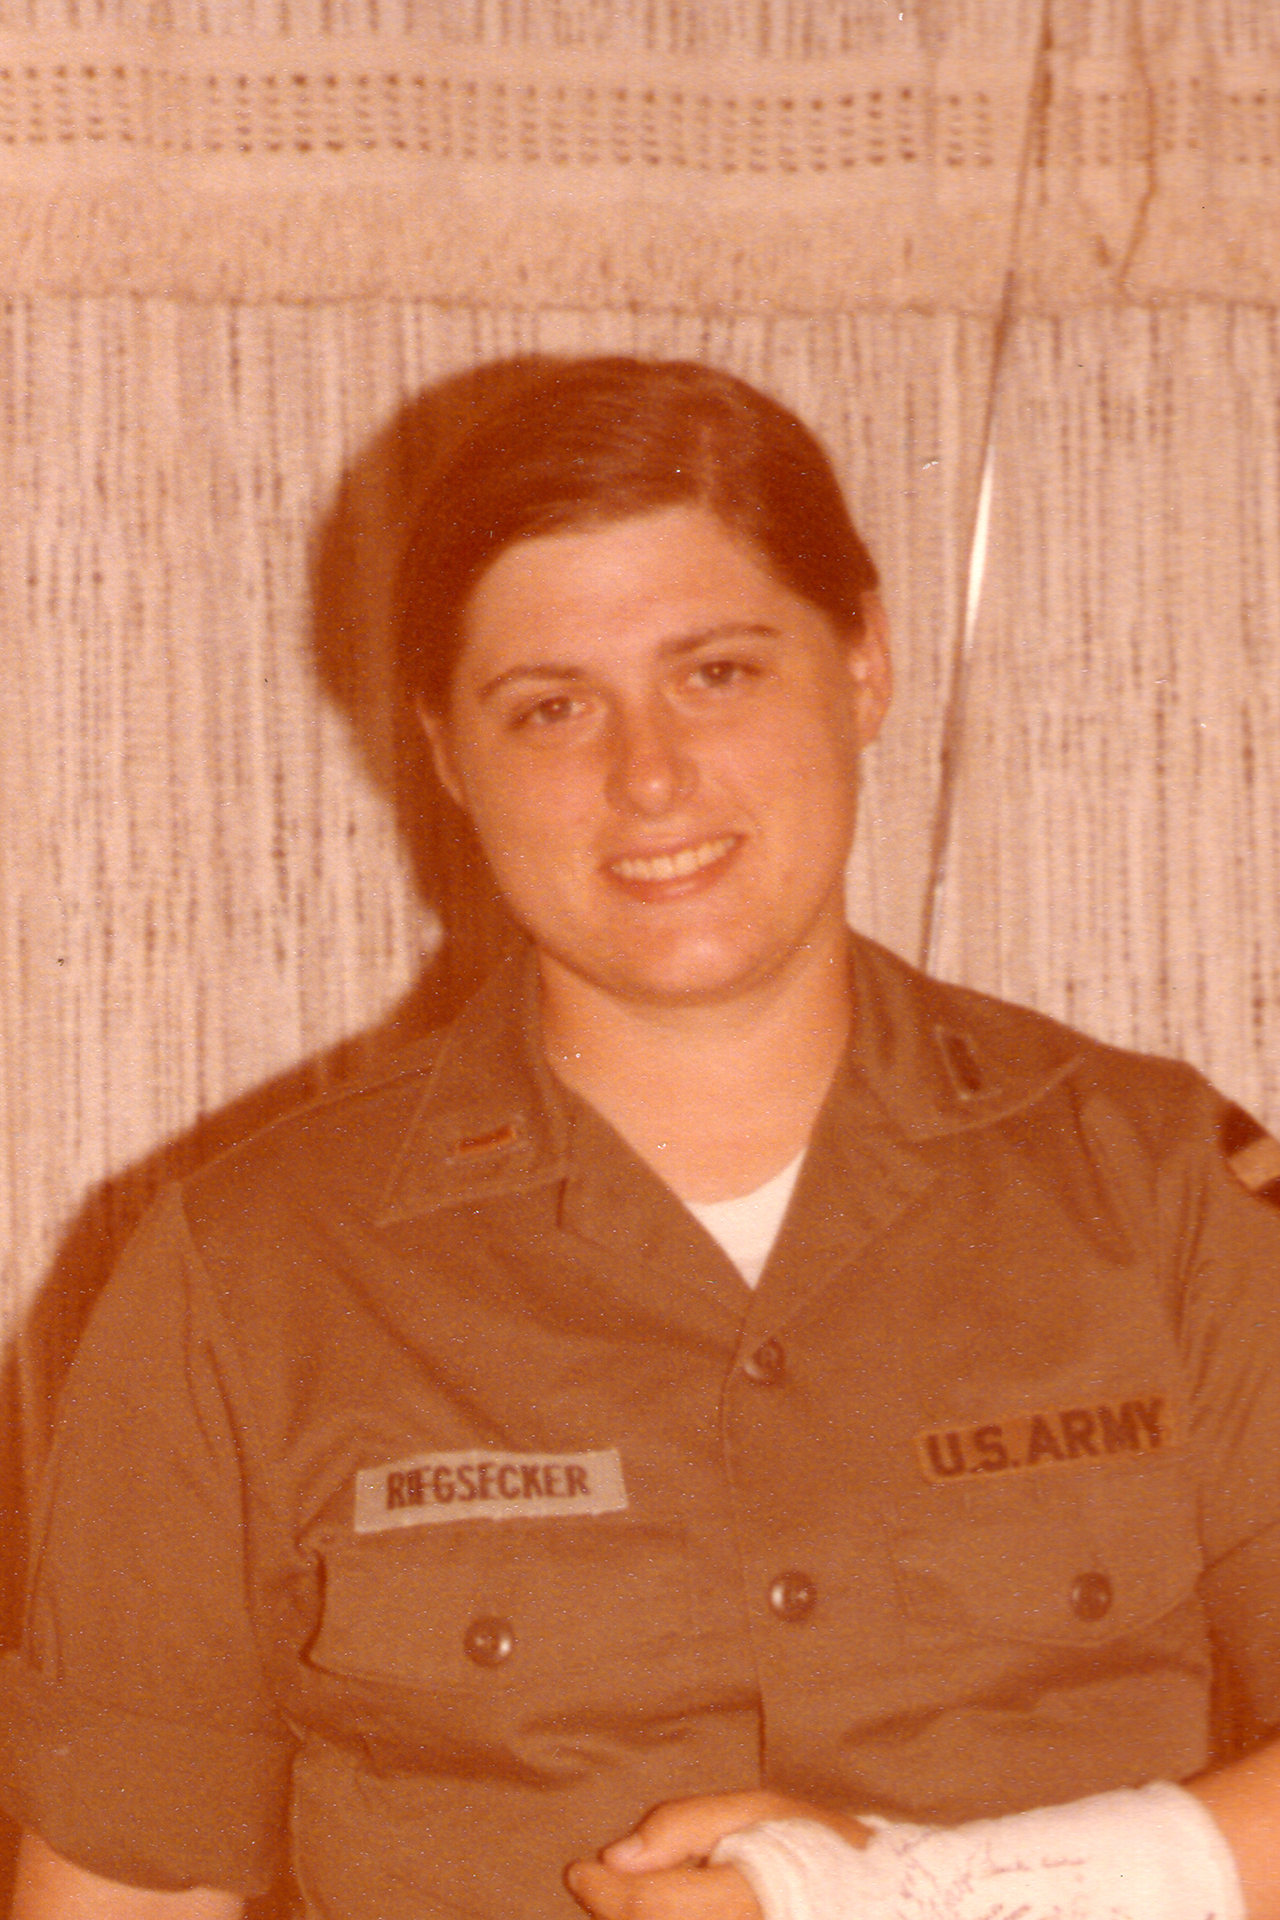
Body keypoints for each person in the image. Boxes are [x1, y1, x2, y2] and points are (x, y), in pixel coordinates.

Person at [3, 356, 1280, 1920]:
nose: (649, 775)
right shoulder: (243, 1273)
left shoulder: (1161, 1191)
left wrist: (905, 1898)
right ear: (449, 755)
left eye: (718, 672)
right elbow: (126, 1887)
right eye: (551, 709)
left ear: (866, 662)